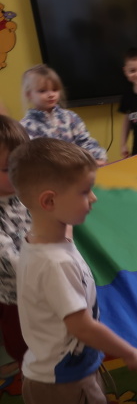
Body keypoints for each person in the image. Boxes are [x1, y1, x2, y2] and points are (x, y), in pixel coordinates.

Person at [8, 138, 137, 403]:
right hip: (63, 383)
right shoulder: (55, 264)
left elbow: (67, 229)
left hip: (66, 370)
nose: (94, 197)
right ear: (49, 201)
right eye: (84, 192)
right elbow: (83, 328)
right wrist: (130, 353)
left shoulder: (44, 238)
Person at [19, 65, 107, 165]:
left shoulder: (70, 117)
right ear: (29, 94)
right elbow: (32, 159)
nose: (51, 94)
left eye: (55, 89)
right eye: (42, 91)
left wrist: (98, 158)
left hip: (79, 170)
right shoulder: (26, 126)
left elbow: (85, 142)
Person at [0, 116, 30, 370]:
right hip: (15, 298)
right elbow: (9, 260)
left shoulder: (25, 192)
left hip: (46, 286)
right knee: (25, 348)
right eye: (7, 169)